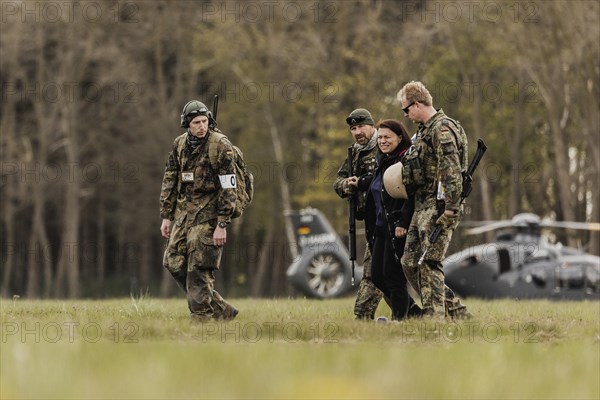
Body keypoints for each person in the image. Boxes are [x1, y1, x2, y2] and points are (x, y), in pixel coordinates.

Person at [160, 100, 238, 321]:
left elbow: (228, 187)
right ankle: (222, 311)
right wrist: (166, 216)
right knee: (172, 260)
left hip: (210, 214)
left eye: (204, 121)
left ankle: (201, 319)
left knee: (198, 267)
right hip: (184, 213)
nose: (201, 126)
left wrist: (222, 224)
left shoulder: (221, 146)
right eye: (196, 122)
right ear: (187, 124)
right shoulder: (179, 145)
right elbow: (170, 179)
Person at [398, 81, 470, 319]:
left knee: (429, 262)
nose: (406, 115)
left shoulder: (442, 129)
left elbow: (451, 169)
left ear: (417, 104)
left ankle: (434, 319)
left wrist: (450, 207)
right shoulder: (424, 131)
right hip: (422, 205)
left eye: (406, 109)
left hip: (438, 206)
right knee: (409, 262)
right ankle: (457, 313)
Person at [333, 108, 387, 320]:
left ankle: (362, 316)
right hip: (372, 220)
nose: (357, 132)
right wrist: (347, 185)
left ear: (372, 126)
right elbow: (338, 182)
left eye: (361, 126)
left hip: (390, 218)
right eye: (353, 128)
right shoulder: (354, 153)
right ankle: (412, 314)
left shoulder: (384, 145)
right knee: (381, 272)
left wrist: (365, 183)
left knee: (398, 270)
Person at [364, 119, 419, 320]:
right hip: (380, 227)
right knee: (377, 277)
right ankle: (413, 312)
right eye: (380, 137)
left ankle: (399, 320)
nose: (383, 141)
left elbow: (412, 194)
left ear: (399, 137)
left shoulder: (405, 160)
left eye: (387, 137)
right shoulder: (383, 160)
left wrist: (403, 222)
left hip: (396, 227)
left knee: (393, 278)